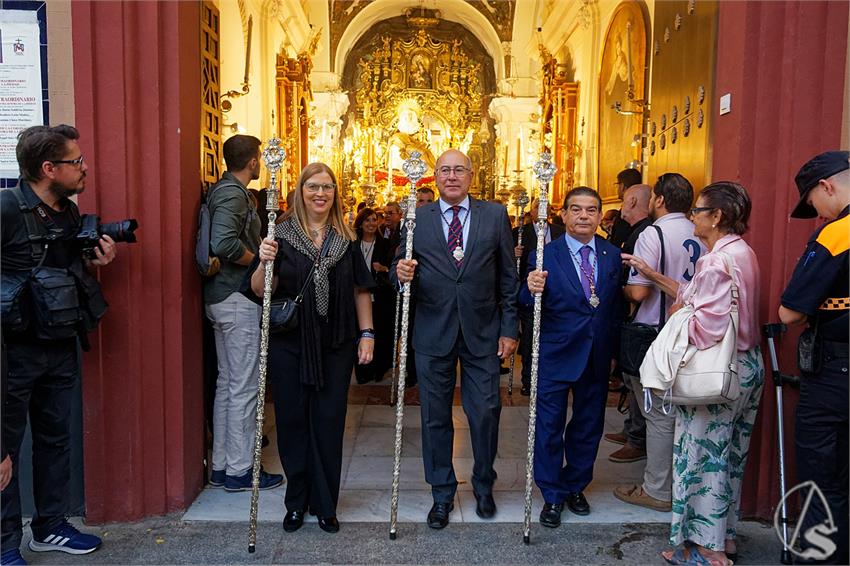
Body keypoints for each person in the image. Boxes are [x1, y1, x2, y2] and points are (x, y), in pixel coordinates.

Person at [1, 125, 118, 564]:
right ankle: (4, 543)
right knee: (5, 450)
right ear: (48, 169)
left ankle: (49, 526)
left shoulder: (68, 213)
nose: (84, 168)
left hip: (59, 344)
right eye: (77, 162)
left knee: (55, 439)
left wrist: (95, 261)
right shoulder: (7, 209)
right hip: (12, 351)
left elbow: (67, 270)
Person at [632, 182, 762, 566]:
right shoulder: (744, 253)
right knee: (731, 455)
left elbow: (705, 327)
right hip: (746, 364)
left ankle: (707, 547)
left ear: (717, 216)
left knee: (702, 456)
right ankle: (725, 535)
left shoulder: (714, 260)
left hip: (714, 370)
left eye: (698, 211)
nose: (692, 217)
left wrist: (678, 316)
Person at [393, 149, 518, 528]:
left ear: (471, 175)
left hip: (483, 332)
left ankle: (483, 483)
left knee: (485, 413)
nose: (451, 176)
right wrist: (400, 274)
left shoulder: (494, 215)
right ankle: (442, 494)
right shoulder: (417, 217)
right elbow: (401, 269)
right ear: (434, 175)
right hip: (433, 331)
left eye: (458, 170)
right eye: (444, 170)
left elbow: (508, 278)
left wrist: (510, 329)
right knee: (434, 418)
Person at [250, 162, 374, 534]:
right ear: (300, 191)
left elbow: (360, 289)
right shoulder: (280, 235)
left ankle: (325, 503)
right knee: (291, 422)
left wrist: (367, 334)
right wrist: (264, 261)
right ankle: (296, 501)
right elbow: (259, 290)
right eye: (313, 187)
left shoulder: (346, 239)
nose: (320, 194)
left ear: (335, 193)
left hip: (335, 343)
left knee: (329, 422)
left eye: (327, 187)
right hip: (290, 343)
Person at [521, 186, 623, 528]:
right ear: (562, 215)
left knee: (587, 425)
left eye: (591, 210)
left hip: (596, 354)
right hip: (555, 352)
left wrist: (614, 354)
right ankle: (551, 494)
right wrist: (530, 287)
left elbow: (615, 309)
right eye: (576, 209)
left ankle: (575, 485)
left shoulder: (611, 255)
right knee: (549, 426)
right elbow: (522, 299)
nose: (584, 216)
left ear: (599, 216)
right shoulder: (544, 255)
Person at [613, 173, 705, 509]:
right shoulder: (702, 231)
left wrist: (619, 288)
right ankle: (686, 485)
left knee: (657, 412)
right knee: (687, 410)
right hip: (696, 330)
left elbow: (639, 291)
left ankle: (657, 489)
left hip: (658, 331)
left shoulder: (653, 233)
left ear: (660, 200)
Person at [779, 150, 849, 565]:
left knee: (824, 474)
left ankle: (820, 557)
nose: (817, 214)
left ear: (827, 187)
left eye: (812, 205)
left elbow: (791, 311)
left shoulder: (837, 233)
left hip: (837, 373)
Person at [203, 135, 282, 493]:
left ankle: (222, 466)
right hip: (236, 297)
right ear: (253, 162)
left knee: (228, 385)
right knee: (245, 386)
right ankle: (241, 470)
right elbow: (223, 243)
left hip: (222, 298)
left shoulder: (223, 191)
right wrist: (260, 261)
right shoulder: (234, 194)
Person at [603, 183, 652, 458]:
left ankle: (637, 437)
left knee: (637, 376)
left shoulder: (644, 232)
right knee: (630, 375)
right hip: (628, 313)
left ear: (631, 201)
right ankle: (632, 428)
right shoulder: (634, 231)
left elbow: (638, 286)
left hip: (638, 314)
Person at [513, 197, 565, 396]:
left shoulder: (560, 232)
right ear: (531, 211)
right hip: (529, 292)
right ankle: (528, 380)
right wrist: (514, 253)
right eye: (538, 207)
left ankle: (551, 378)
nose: (542, 210)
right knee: (528, 339)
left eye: (547, 207)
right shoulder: (519, 233)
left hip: (555, 294)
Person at [353, 207, 394, 384]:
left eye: (374, 220)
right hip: (357, 295)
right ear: (360, 223)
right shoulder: (353, 244)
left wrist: (383, 269)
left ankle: (379, 369)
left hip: (380, 295)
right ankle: (362, 371)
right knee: (358, 332)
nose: (371, 223)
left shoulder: (385, 244)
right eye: (367, 220)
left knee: (381, 332)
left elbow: (393, 269)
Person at [609, 167, 643, 247]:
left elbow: (618, 240)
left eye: (617, 184)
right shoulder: (642, 207)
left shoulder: (626, 212)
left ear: (623, 186)